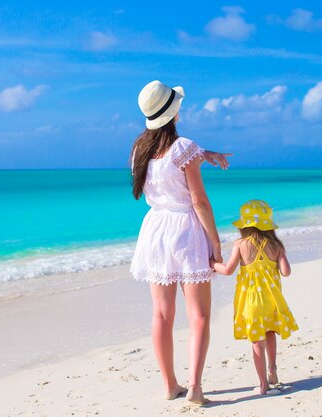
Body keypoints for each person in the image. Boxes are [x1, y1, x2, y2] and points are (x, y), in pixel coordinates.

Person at [130, 80, 229, 405]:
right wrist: (215, 243)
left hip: (156, 229)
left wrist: (205, 154)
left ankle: (170, 385)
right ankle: (196, 389)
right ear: (174, 112)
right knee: (198, 315)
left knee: (161, 315)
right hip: (186, 231)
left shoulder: (139, 150)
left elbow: (170, 166)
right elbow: (200, 201)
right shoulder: (184, 146)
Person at [211, 200, 298, 395]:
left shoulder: (241, 245)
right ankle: (273, 371)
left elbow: (227, 270)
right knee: (270, 333)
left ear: (244, 225)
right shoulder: (276, 246)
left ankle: (263, 385)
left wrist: (212, 264)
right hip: (271, 301)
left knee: (257, 341)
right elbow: (286, 272)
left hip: (251, 303)